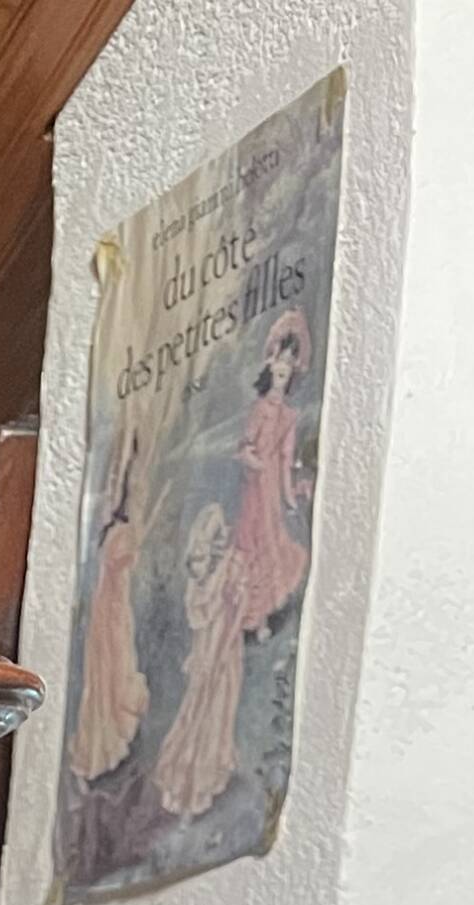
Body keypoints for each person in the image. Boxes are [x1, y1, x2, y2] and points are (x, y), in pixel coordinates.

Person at [67, 427, 151, 783]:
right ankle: (101, 744)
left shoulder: (125, 531)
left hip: (116, 610)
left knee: (113, 666)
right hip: (108, 608)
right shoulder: (114, 529)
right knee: (103, 671)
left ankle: (111, 738)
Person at [154, 501, 245, 820]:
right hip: (206, 655)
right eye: (194, 560)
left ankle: (202, 783)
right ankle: (181, 780)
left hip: (224, 657)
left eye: (202, 558)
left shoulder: (231, 572)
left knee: (215, 714)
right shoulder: (200, 584)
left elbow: (236, 618)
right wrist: (202, 656)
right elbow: (199, 622)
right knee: (194, 711)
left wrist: (221, 654)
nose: (196, 567)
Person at [228, 309, 313, 636]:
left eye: (286, 375)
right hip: (255, 485)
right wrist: (252, 460)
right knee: (250, 541)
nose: (280, 381)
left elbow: (287, 458)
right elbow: (244, 447)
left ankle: (261, 613)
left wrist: (289, 496)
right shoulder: (260, 410)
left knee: (270, 542)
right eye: (278, 374)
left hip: (271, 486)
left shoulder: (289, 416)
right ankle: (247, 615)